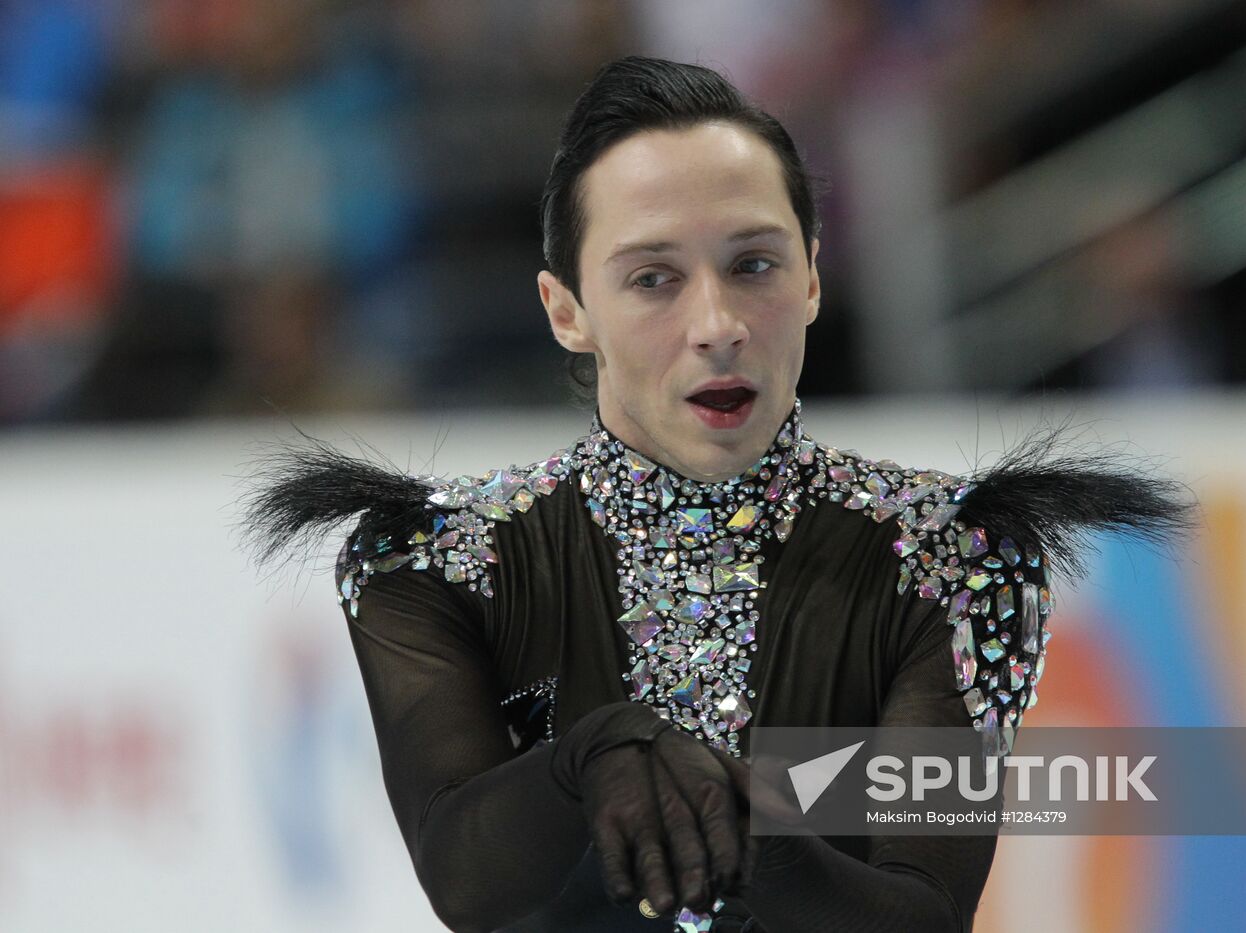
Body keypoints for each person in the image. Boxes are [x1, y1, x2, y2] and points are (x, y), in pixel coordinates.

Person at [240, 56, 1195, 933]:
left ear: (814, 274)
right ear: (566, 309)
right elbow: (470, 880)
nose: (718, 324)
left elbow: (919, 916)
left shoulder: (953, 558)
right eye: (653, 278)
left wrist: (745, 821)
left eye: (754, 264)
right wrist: (596, 753)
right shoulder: (437, 562)